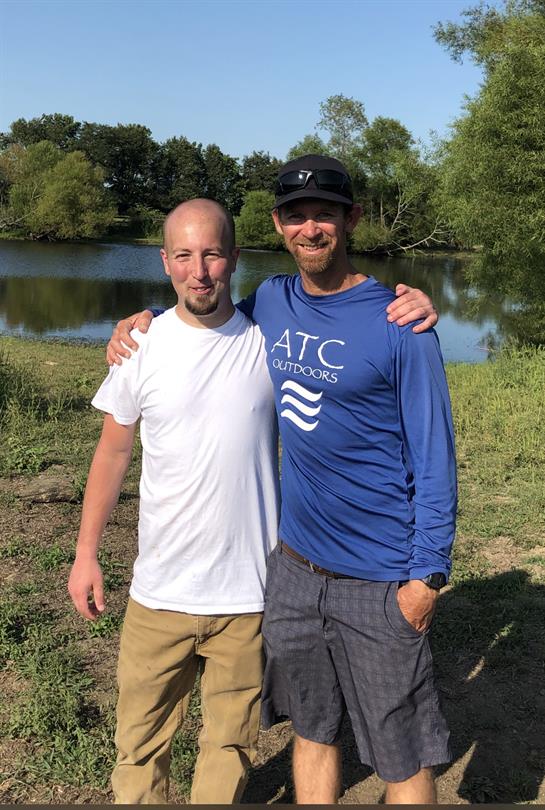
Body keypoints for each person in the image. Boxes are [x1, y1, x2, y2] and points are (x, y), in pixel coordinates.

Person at [106, 155, 454, 805]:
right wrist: (145, 319)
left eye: (324, 213)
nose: (309, 227)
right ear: (277, 224)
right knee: (313, 731)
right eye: (296, 215)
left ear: (350, 219)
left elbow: (436, 459)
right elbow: (208, 318)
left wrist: (425, 576)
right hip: (292, 572)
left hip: (380, 578)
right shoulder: (272, 299)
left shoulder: (399, 324)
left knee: (400, 757)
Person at [68, 199, 281, 804]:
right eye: (184, 255)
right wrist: (86, 553)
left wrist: (414, 304)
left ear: (235, 257)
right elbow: (111, 455)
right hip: (158, 593)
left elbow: (343, 321)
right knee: (138, 747)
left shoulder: (271, 343)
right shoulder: (142, 345)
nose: (200, 271)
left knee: (230, 744)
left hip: (247, 595)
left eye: (213, 253)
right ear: (164, 262)